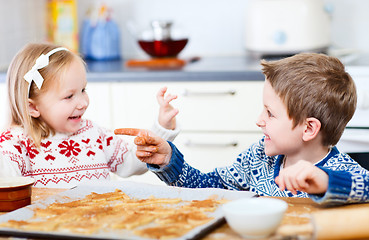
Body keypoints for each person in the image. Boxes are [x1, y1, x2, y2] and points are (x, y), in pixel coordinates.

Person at [115, 53, 368, 198]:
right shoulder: (258, 158)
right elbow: (205, 187)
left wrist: (325, 182)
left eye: (270, 113)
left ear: (309, 129)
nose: (259, 120)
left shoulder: (341, 171)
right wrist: (167, 159)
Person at [0, 43, 179, 188]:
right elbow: (5, 180)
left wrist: (162, 127)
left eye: (83, 90)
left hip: (100, 227)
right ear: (33, 107)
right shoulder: (17, 143)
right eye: (69, 96)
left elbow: (133, 161)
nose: (83, 103)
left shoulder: (94, 133)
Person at [275, 160, 369, 205]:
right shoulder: (261, 151)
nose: (259, 122)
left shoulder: (351, 170)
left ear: (309, 128)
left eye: (272, 119)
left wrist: (328, 182)